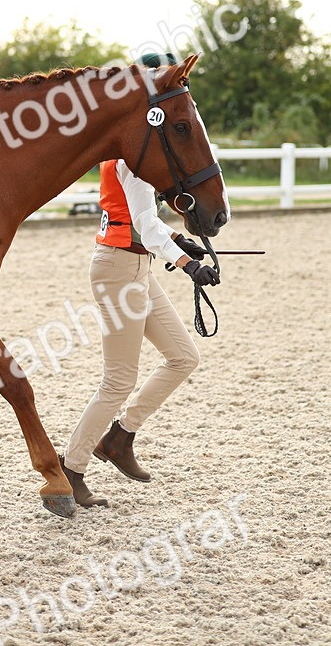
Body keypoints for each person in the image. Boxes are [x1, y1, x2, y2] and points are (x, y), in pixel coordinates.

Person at [60, 53, 221, 508]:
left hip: (134, 268)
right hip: (119, 270)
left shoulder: (133, 151)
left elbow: (142, 220)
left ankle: (121, 437)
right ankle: (70, 468)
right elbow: (146, 227)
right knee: (118, 380)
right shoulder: (133, 156)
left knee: (183, 357)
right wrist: (188, 264)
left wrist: (179, 240)